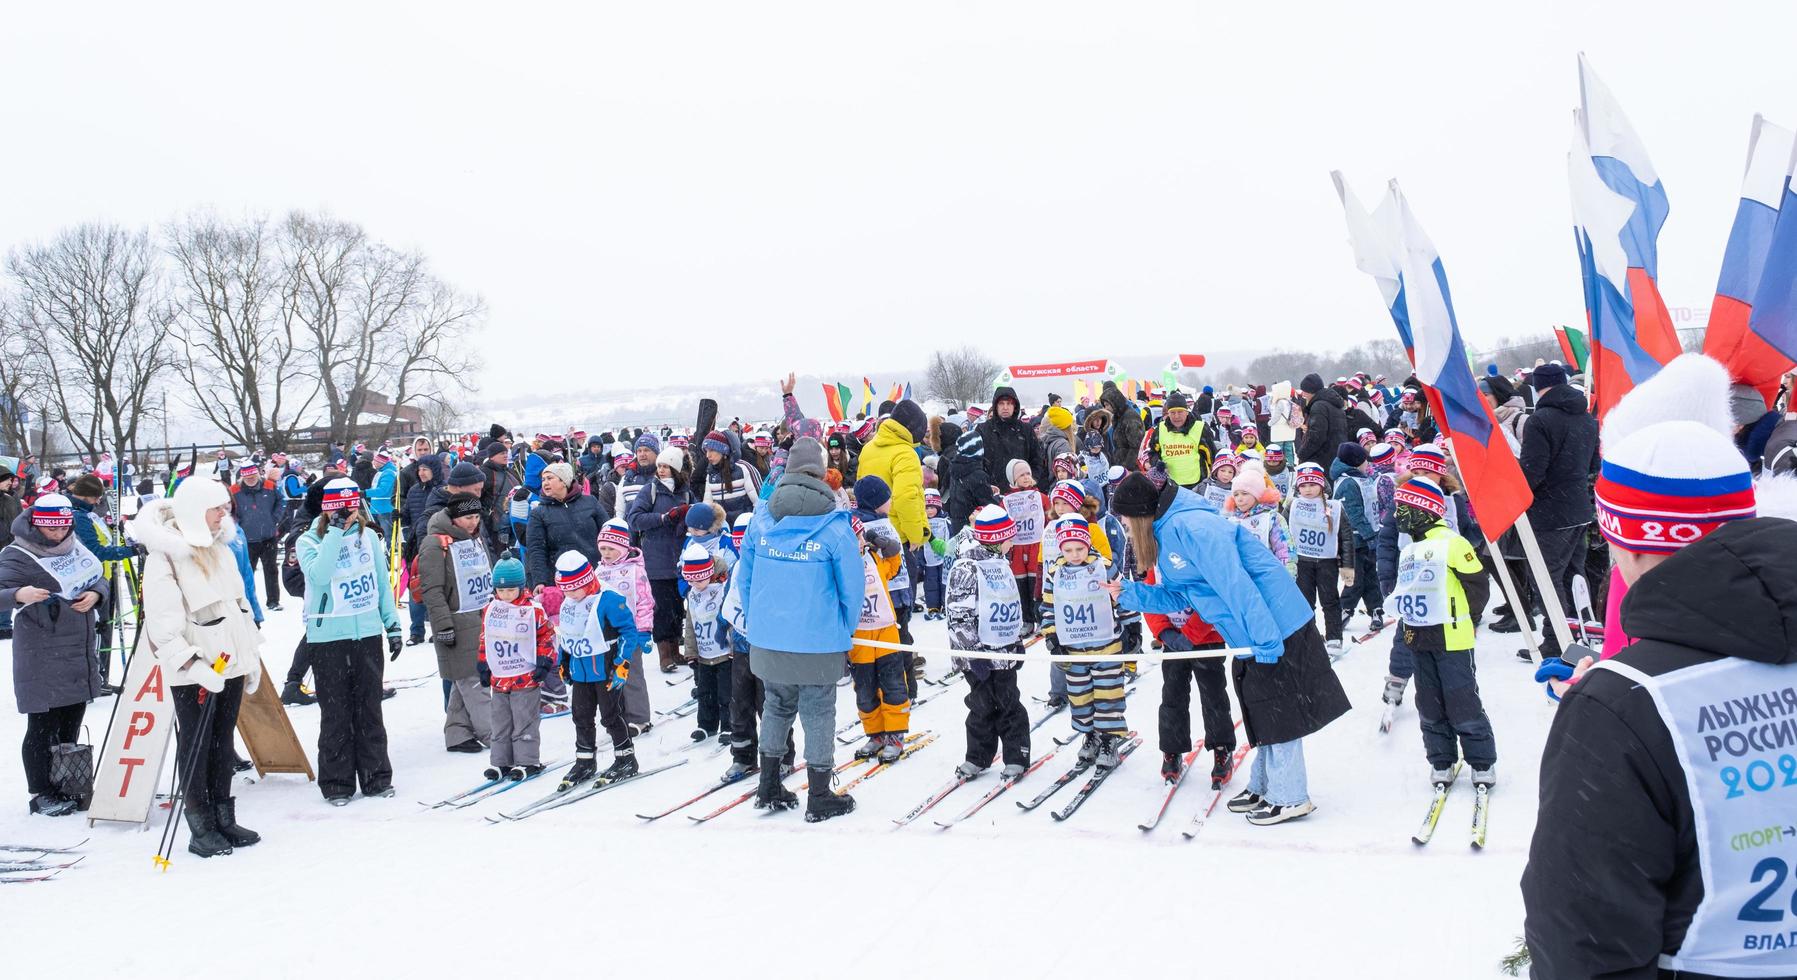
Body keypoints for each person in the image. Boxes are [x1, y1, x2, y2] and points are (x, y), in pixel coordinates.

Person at [1522, 415, 1788, 978]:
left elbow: (1586, 942)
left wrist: (1618, 702)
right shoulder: (1628, 698)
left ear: (1629, 542)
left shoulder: (1622, 705)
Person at [1106, 472, 1348, 826]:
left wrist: (1265, 639)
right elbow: (1183, 593)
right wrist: (1127, 593)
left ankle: (1290, 795)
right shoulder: (1168, 532)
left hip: (1276, 623)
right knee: (1258, 705)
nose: (1124, 525)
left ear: (1140, 513)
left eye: (1125, 518)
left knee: (1279, 709)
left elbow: (1237, 585)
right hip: (1250, 629)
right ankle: (1265, 784)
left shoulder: (1194, 527)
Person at [736, 436, 862, 823]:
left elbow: (746, 579)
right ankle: (820, 793)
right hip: (818, 638)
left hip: (769, 636)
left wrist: (758, 622)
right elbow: (851, 590)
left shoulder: (762, 519)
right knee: (819, 710)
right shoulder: (834, 526)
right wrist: (843, 630)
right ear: (823, 472)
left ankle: (769, 784)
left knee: (775, 705)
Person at [136, 478, 264, 855]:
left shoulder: (221, 547)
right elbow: (162, 626)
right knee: (197, 744)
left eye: (226, 508)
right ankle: (201, 825)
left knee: (223, 742)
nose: (224, 515)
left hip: (229, 666)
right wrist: (193, 665)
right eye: (217, 508)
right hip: (195, 672)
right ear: (195, 510)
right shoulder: (165, 557)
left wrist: (250, 656)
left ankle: (224, 817)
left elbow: (238, 607)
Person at [1, 493, 108, 817]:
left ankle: (67, 782)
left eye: (63, 528)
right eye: (51, 529)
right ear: (36, 525)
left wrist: (96, 594)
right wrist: (19, 594)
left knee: (71, 720)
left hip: (77, 645)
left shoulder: (74, 545)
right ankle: (41, 792)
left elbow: (98, 576)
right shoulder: (17, 554)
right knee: (42, 725)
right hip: (41, 650)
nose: (58, 535)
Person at [297, 478, 401, 805]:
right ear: (328, 509)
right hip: (328, 636)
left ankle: (376, 777)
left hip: (366, 633)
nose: (350, 513)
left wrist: (392, 625)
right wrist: (335, 535)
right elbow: (319, 576)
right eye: (342, 508)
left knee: (369, 710)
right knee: (336, 713)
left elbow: (381, 584)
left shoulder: (368, 536)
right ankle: (337, 782)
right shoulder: (309, 541)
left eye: (354, 507)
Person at [1388, 476, 1495, 791]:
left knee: (1462, 701)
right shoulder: (1411, 550)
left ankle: (1482, 761)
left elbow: (1477, 586)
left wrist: (1468, 618)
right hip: (1419, 639)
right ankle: (1441, 760)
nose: (1397, 515)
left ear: (1422, 510)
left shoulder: (1453, 543)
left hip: (1452, 637)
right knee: (1429, 704)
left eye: (1403, 508)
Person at [1516, 361, 1599, 660]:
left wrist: (1514, 485)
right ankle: (1581, 633)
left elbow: (1532, 472)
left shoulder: (1541, 420)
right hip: (1578, 508)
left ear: (1539, 388)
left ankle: (1555, 641)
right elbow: (1593, 466)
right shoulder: (1587, 418)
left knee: (1547, 578)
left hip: (1550, 512)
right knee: (1574, 575)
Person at [949, 505, 1031, 780]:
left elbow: (1010, 604)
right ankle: (977, 757)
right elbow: (959, 616)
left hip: (1004, 651)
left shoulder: (1001, 563)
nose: (1013, 543)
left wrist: (1017, 639)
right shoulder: (967, 567)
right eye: (1009, 538)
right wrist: (972, 654)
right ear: (997, 539)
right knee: (981, 706)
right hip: (978, 656)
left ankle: (1016, 756)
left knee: (1009, 704)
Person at [552, 551, 648, 789]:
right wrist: (563, 662)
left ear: (586, 581)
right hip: (581, 671)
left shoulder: (608, 599)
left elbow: (628, 631)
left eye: (574, 589)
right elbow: (567, 635)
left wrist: (622, 664)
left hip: (605, 669)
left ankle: (626, 757)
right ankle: (585, 760)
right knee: (581, 716)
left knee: (611, 715)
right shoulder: (569, 602)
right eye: (565, 590)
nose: (570, 594)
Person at [1041, 515, 1128, 768]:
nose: (1075, 554)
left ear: (1088, 543)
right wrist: (1052, 636)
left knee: (1108, 694)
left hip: (1106, 645)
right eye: (1068, 550)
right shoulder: (1055, 572)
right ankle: (1090, 735)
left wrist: (1132, 627)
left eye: (1080, 548)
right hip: (1074, 648)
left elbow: (1122, 595)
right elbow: (1048, 606)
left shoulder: (1104, 565)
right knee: (1080, 696)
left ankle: (1110, 738)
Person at [418, 494, 493, 754]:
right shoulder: (434, 544)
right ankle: (494, 735)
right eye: (468, 518)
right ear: (454, 517)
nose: (473, 522)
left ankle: (457, 733)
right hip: (456, 621)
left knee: (465, 680)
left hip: (480, 616)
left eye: (476, 516)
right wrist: (443, 626)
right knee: (474, 681)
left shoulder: (474, 538)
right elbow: (432, 590)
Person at [477, 555, 552, 781]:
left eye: (511, 590)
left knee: (524, 719)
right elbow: (486, 638)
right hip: (500, 677)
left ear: (521, 587)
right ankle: (501, 761)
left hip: (525, 677)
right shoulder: (491, 609)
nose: (506, 596)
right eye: (501, 591)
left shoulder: (533, 610)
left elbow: (546, 636)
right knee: (500, 721)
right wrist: (483, 662)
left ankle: (527, 760)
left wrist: (544, 660)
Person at [627, 445, 696, 674]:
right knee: (662, 609)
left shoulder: (685, 492)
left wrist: (687, 518)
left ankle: (675, 650)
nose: (662, 470)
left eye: (666, 466)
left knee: (677, 607)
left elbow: (695, 515)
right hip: (656, 559)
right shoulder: (650, 490)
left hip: (678, 558)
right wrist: (664, 518)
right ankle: (664, 654)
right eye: (660, 466)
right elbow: (635, 519)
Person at [845, 513, 909, 762]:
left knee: (893, 684)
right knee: (865, 688)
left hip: (885, 631)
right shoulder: (840, 565)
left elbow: (894, 562)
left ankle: (895, 733)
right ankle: (875, 733)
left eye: (859, 537)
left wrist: (881, 542)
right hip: (859, 638)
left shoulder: (873, 557)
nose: (858, 542)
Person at [594, 519, 654, 732]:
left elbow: (645, 602)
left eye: (611, 548)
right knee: (612, 675)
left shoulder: (635, 570)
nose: (607, 553)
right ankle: (619, 715)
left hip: (631, 633)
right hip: (608, 635)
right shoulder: (599, 572)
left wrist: (644, 630)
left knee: (631, 674)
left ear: (622, 547)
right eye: (603, 548)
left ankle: (639, 718)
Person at [523, 461, 608, 594]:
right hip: (563, 581)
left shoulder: (590, 502)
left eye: (550, 478)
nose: (545, 483)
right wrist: (540, 581)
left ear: (564, 481)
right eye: (543, 479)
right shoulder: (538, 513)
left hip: (595, 573)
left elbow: (607, 533)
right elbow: (536, 550)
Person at [679, 543, 734, 744]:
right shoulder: (692, 594)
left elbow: (731, 620)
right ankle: (706, 725)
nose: (696, 583)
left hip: (724, 652)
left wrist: (734, 648)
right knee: (705, 691)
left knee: (726, 692)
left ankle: (729, 725)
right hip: (703, 653)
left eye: (700, 578)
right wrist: (690, 652)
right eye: (691, 579)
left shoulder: (722, 590)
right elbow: (691, 625)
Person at [1287, 463, 1344, 653]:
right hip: (1302, 562)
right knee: (1304, 602)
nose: (1308, 489)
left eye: (1312, 484)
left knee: (1330, 600)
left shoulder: (1334, 507)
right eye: (1303, 485)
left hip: (1326, 562)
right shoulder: (1293, 505)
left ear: (1321, 484)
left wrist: (1348, 564)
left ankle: (1334, 636)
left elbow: (1345, 536)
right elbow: (1280, 533)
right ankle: (1309, 636)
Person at [220, 464, 282, 611]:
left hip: (268, 537)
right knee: (246, 572)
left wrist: (274, 518)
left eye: (253, 477)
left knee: (271, 570)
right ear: (242, 477)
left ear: (258, 475)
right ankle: (247, 601)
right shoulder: (234, 490)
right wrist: (237, 523)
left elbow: (281, 502)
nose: (251, 480)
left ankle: (273, 601)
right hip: (247, 539)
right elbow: (229, 509)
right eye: (247, 478)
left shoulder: (269, 486)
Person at [1142, 390, 1212, 490]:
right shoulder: (1160, 429)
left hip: (1196, 484)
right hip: (1169, 485)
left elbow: (1210, 456)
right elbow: (1153, 452)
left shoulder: (1200, 428)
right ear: (1168, 413)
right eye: (1172, 412)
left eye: (1180, 412)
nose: (1176, 416)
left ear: (1187, 412)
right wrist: (1157, 463)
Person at [400, 457, 437, 644]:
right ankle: (416, 631)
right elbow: (407, 516)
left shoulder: (441, 491)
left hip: (435, 544)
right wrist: (399, 515)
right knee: (415, 586)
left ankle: (437, 626)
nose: (422, 473)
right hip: (415, 544)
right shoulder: (414, 491)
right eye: (419, 469)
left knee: (434, 587)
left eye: (426, 469)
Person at [978, 386, 1043, 492]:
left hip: (1022, 491)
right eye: (1001, 403)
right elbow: (977, 463)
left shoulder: (1026, 429)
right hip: (993, 491)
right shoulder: (983, 429)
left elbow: (1037, 459)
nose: (1005, 407)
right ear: (995, 406)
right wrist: (985, 485)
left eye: (1009, 403)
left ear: (1015, 406)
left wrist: (1033, 479)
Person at [1295, 373, 1350, 468]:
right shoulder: (1332, 403)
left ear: (1311, 391)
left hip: (1323, 457)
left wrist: (1302, 454)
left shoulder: (1319, 406)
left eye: (1304, 391)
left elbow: (1317, 436)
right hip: (1335, 454)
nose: (1303, 394)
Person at [0, 464, 21, 639]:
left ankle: (4, 625)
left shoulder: (10, 499)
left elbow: (18, 522)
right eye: (7, 479)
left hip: (9, 550)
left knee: (7, 586)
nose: (10, 482)